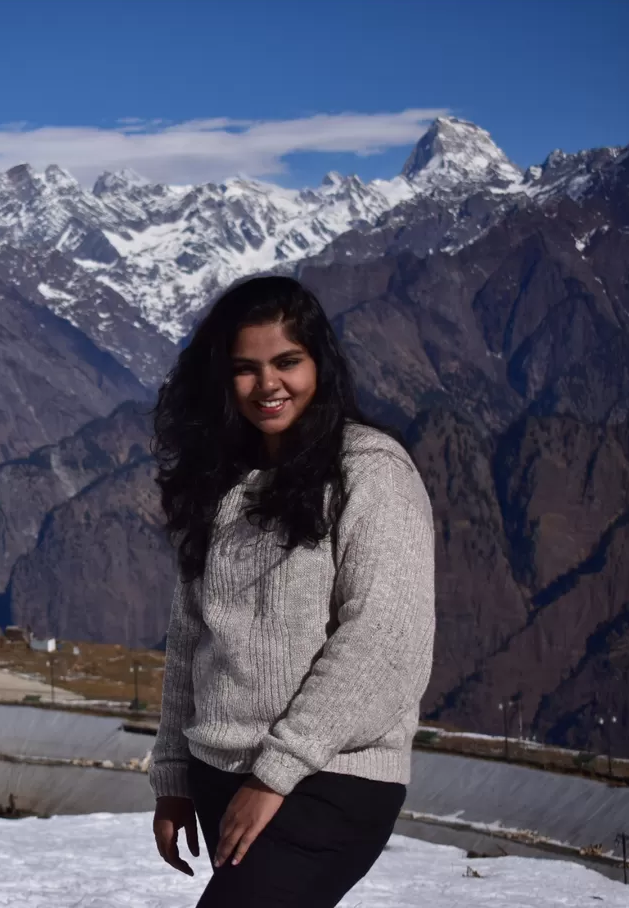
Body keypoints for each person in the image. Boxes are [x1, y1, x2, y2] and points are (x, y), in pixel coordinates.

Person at [147, 276, 435, 907]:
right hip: (221, 774)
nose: (267, 385)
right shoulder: (222, 480)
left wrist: (277, 772)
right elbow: (191, 637)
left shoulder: (371, 471)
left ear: (320, 366)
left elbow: (385, 641)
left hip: (328, 780)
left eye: (287, 362)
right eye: (245, 369)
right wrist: (172, 775)